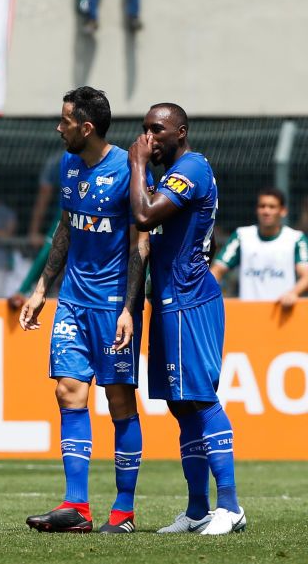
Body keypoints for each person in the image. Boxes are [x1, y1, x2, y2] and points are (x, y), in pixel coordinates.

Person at [19, 86, 151, 534]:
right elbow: (65, 226)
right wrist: (42, 287)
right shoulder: (68, 164)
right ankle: (76, 507)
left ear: (86, 127)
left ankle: (124, 510)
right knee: (68, 393)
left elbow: (140, 244)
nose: (59, 128)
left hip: (114, 307)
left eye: (65, 121)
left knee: (118, 401)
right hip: (73, 302)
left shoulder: (127, 171)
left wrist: (131, 309)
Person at [128, 103, 246, 535]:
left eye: (157, 130)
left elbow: (144, 215)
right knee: (181, 405)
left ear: (181, 131)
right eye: (144, 130)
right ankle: (198, 509)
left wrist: (137, 164)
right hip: (170, 301)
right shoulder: (172, 174)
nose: (149, 137)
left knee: (199, 398)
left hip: (190, 299)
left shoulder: (190, 170)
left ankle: (230, 506)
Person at [211, 187, 308, 307]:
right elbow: (217, 270)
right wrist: (211, 299)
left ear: (283, 211)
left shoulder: (296, 238)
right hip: (249, 313)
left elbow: (306, 275)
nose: (266, 211)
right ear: (257, 209)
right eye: (262, 206)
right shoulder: (242, 236)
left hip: (283, 315)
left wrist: (293, 293)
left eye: (272, 207)